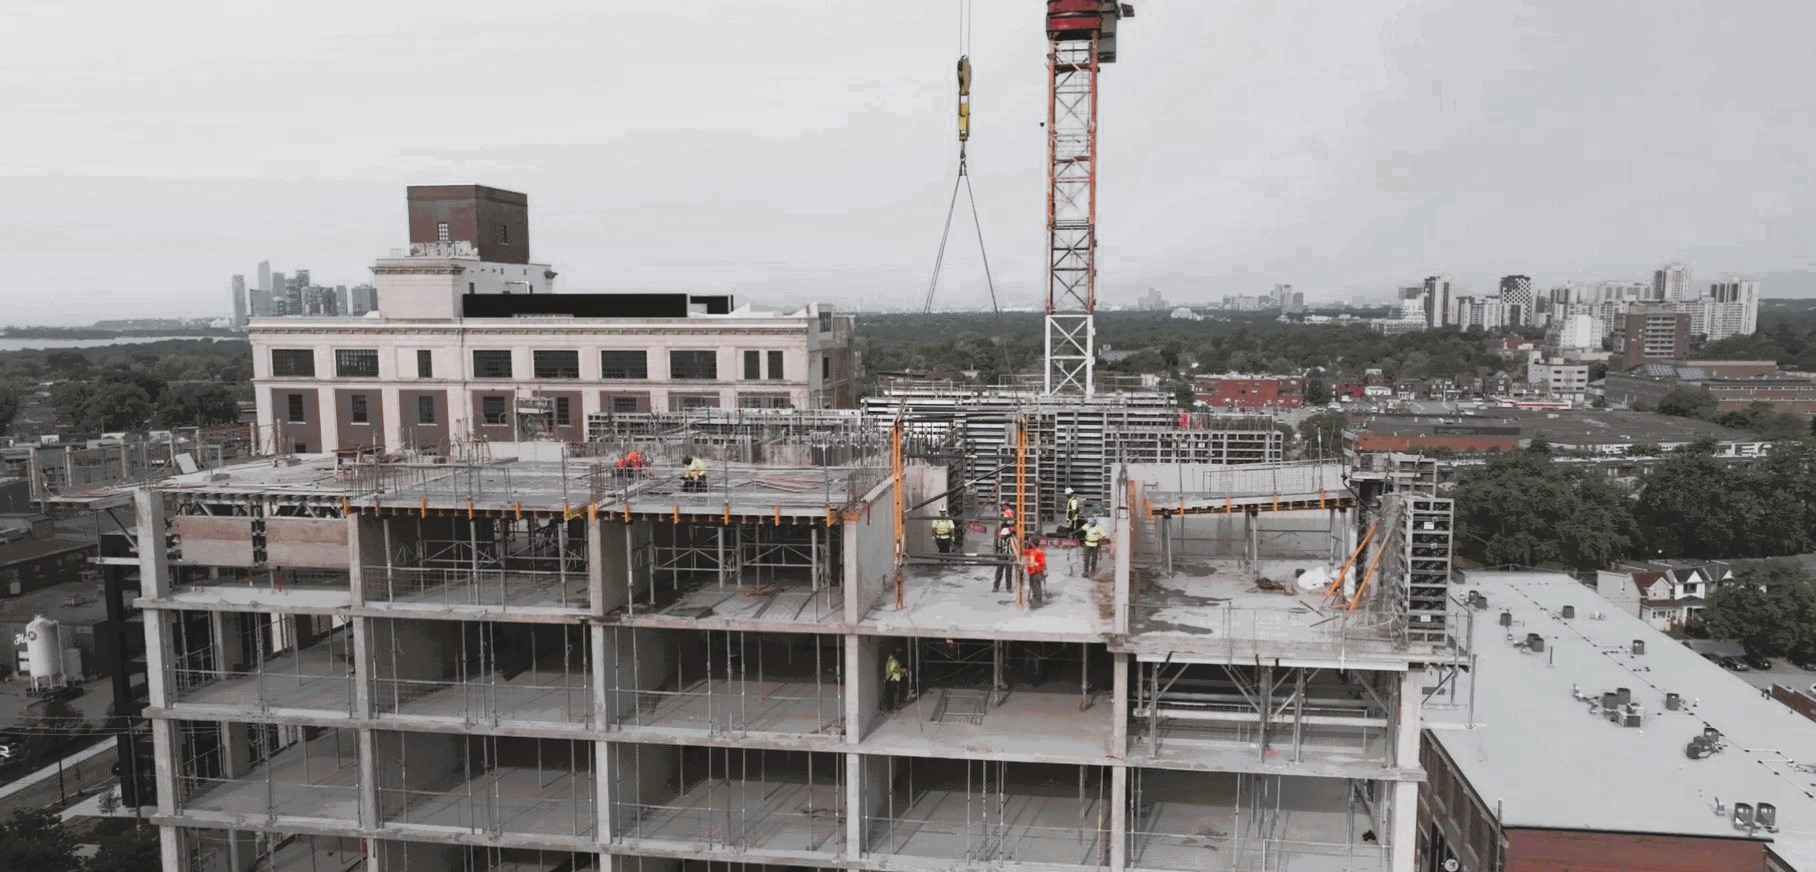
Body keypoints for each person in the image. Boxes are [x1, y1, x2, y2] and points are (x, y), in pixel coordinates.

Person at [992, 525, 1016, 592]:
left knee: (1008, 574)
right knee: (998, 573)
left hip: (1009, 557)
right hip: (1000, 557)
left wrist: (1013, 557)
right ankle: (996, 586)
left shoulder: (1011, 539)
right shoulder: (998, 539)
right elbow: (996, 547)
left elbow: (1014, 548)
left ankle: (1009, 588)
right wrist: (996, 556)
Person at [1024, 542, 1048, 606]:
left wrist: (1034, 564)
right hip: (1032, 572)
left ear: (1034, 544)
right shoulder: (1031, 551)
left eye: (1031, 543)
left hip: (1037, 572)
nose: (1029, 544)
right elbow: (1024, 552)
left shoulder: (1039, 552)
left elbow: (1041, 563)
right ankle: (1035, 598)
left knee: (1036, 586)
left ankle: (1038, 601)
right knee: (1032, 585)